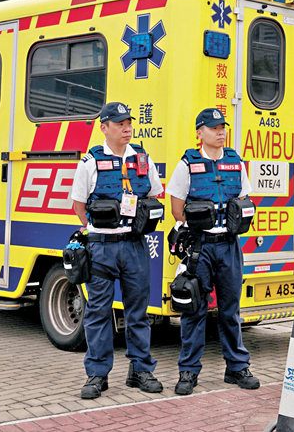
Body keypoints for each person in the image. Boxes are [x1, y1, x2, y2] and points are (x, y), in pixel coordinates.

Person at [71, 101, 164, 399]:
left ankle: (140, 370)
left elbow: (155, 194)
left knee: (138, 312)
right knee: (98, 311)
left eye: (129, 122)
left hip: (135, 246)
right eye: (120, 123)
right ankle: (97, 375)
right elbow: (79, 206)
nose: (127, 127)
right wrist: (100, 230)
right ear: (104, 127)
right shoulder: (90, 163)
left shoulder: (142, 159)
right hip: (102, 248)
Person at [166, 107, 260, 395]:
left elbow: (243, 200)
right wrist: (199, 222)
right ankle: (188, 372)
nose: (221, 132)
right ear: (200, 133)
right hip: (200, 248)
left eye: (223, 128)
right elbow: (176, 209)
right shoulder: (187, 164)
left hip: (229, 246)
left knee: (230, 310)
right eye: (214, 128)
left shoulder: (235, 162)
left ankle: (236, 368)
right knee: (194, 310)